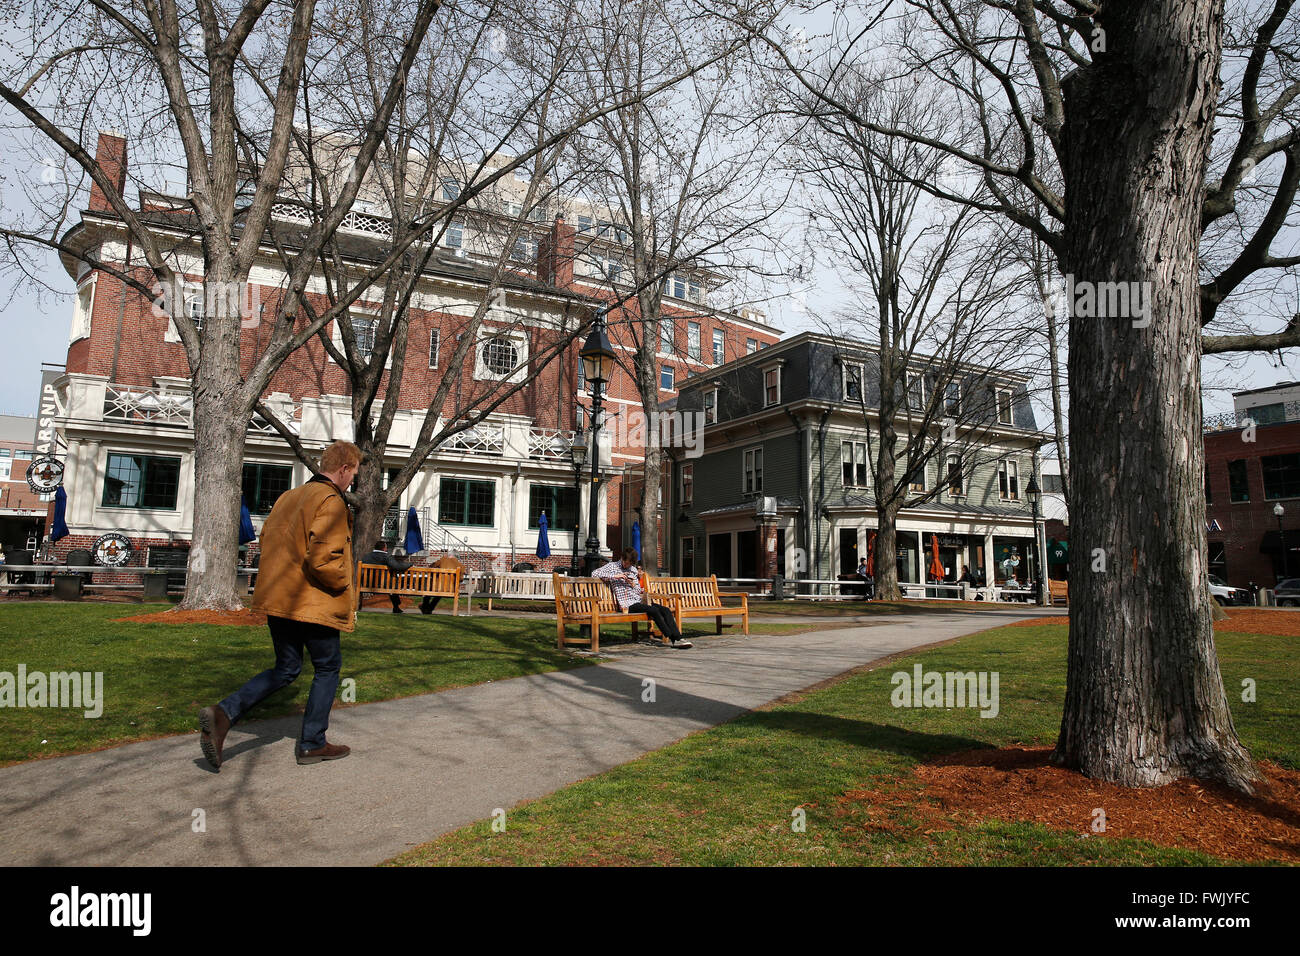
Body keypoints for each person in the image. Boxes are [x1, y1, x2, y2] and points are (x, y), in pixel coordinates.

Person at [198, 440, 361, 769]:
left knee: (286, 668)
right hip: (313, 601)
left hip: (279, 599)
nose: (353, 480)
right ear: (343, 469)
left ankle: (224, 713)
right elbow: (323, 560)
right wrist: (345, 584)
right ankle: (313, 743)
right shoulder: (330, 500)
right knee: (328, 667)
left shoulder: (289, 497)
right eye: (353, 473)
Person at [592, 547, 692, 649]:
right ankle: (673, 639)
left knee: (665, 610)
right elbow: (594, 573)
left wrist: (632, 584)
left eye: (630, 564)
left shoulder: (633, 570)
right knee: (653, 610)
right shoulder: (612, 566)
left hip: (638, 601)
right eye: (626, 563)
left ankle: (678, 637)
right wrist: (616, 576)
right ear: (622, 558)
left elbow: (637, 590)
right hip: (627, 604)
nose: (627, 565)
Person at [361, 539, 414, 613]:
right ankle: (396, 607)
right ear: (383, 548)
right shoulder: (386, 557)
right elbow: (397, 566)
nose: (386, 549)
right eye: (386, 547)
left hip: (367, 583)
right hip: (385, 584)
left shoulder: (366, 556)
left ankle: (358, 605)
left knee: (391, 582)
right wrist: (410, 564)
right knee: (393, 583)